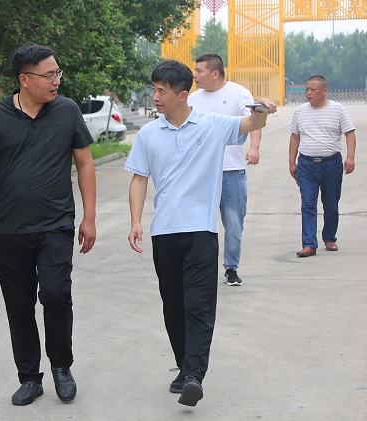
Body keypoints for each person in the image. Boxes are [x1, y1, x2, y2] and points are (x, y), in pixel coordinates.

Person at [125, 59, 276, 407]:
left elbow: (251, 122)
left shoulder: (211, 125)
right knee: (173, 307)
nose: (155, 97)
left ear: (182, 94)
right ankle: (184, 366)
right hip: (164, 231)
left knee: (199, 305)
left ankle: (194, 375)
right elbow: (138, 178)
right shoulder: (149, 134)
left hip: (201, 232)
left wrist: (264, 108)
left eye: (162, 91)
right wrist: (135, 221)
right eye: (154, 90)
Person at [0, 44, 96, 406]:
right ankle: (29, 377)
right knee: (19, 305)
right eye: (48, 74)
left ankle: (61, 367)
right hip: (9, 229)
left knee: (56, 295)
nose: (56, 80)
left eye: (58, 73)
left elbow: (85, 164)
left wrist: (89, 217)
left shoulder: (67, 111)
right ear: (24, 80)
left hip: (56, 225)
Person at [188, 52, 262, 286]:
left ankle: (231, 267)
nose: (195, 75)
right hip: (202, 173)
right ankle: (200, 267)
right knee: (200, 223)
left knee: (233, 224)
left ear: (215, 73)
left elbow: (254, 120)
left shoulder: (238, 93)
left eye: (199, 71)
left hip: (231, 170)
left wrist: (255, 147)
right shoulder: (192, 99)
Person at [289, 75, 356, 257]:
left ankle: (330, 238)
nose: (309, 93)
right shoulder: (300, 111)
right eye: (307, 90)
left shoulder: (338, 110)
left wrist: (350, 158)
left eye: (313, 90)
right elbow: (295, 137)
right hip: (306, 165)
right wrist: (291, 162)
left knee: (331, 204)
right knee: (308, 204)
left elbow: (349, 134)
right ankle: (309, 244)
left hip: (331, 164)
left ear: (324, 91)